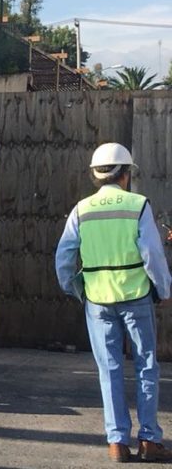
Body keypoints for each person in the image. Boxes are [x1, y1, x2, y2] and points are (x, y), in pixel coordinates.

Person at [55, 142, 172, 463]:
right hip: (135, 296)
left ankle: (117, 442)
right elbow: (152, 254)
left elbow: (64, 257)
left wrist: (76, 288)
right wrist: (163, 289)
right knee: (147, 367)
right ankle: (149, 439)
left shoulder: (82, 209)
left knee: (110, 369)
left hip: (97, 300)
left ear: (96, 174)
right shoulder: (138, 205)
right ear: (126, 174)